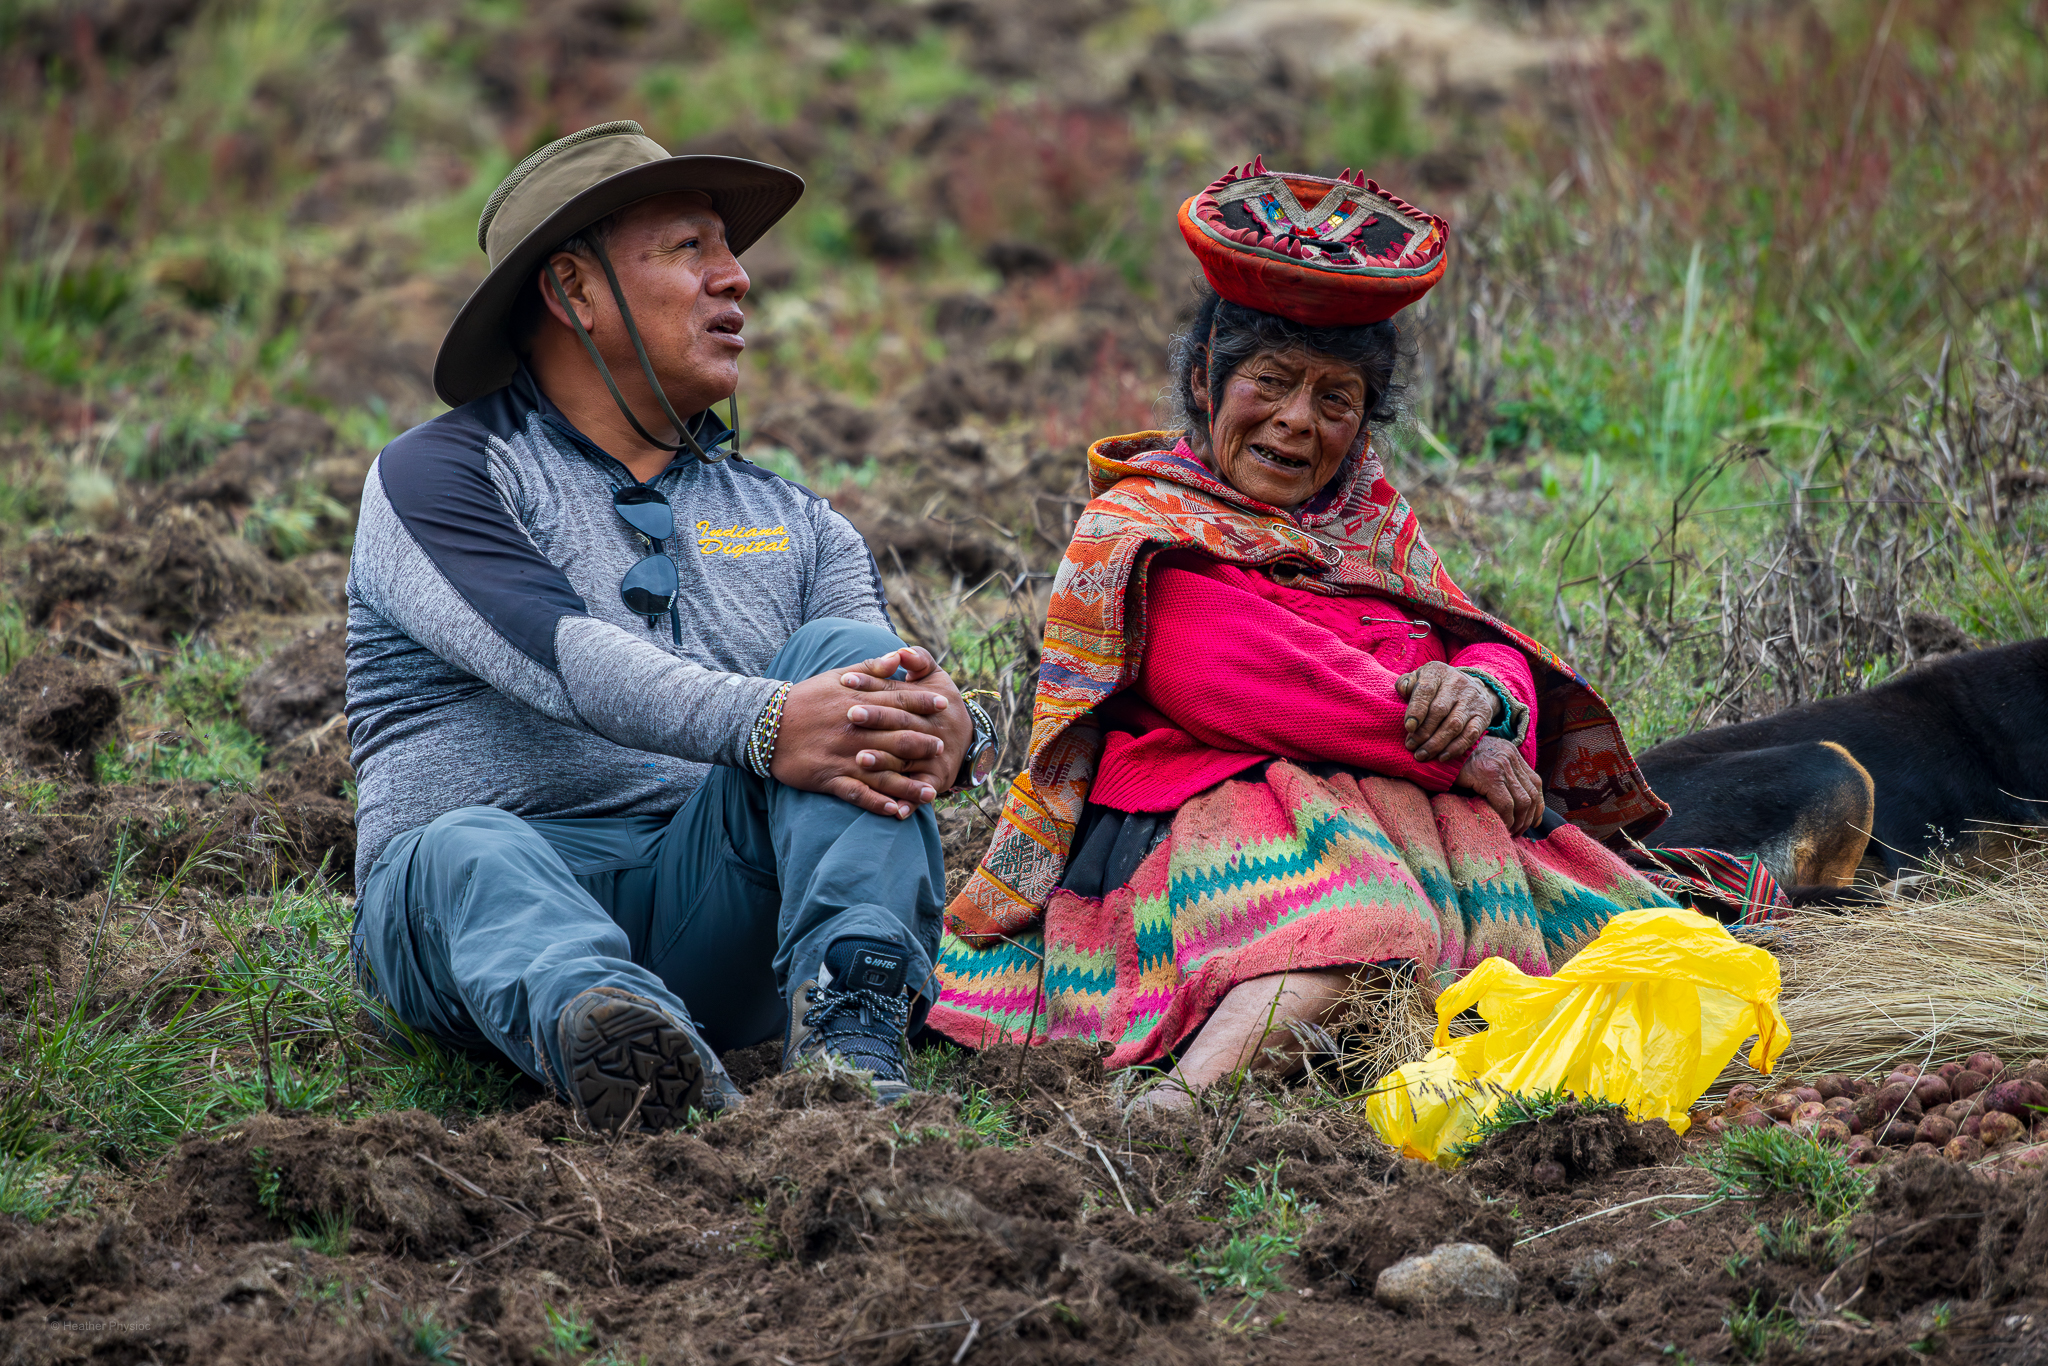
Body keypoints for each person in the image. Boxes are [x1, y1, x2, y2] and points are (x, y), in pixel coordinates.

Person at [927, 161, 1679, 1103]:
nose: (1296, 422)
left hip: (1408, 811)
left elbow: (1471, 635)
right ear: (1205, 382)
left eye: (1335, 399)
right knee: (1355, 936)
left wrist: (1480, 693)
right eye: (1271, 382)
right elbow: (1232, 671)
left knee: (1640, 957)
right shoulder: (1143, 528)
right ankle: (1184, 1105)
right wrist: (1455, 752)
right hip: (1222, 812)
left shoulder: (1368, 522)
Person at [346, 122, 1000, 1130]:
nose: (736, 279)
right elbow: (560, 658)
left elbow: (878, 693)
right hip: (485, 928)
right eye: (688, 248)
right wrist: (768, 724)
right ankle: (625, 1045)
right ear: (572, 290)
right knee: (463, 848)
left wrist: (947, 727)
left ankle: (854, 1027)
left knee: (845, 664)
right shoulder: (440, 476)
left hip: (709, 896)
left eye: (731, 252)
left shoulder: (797, 522)